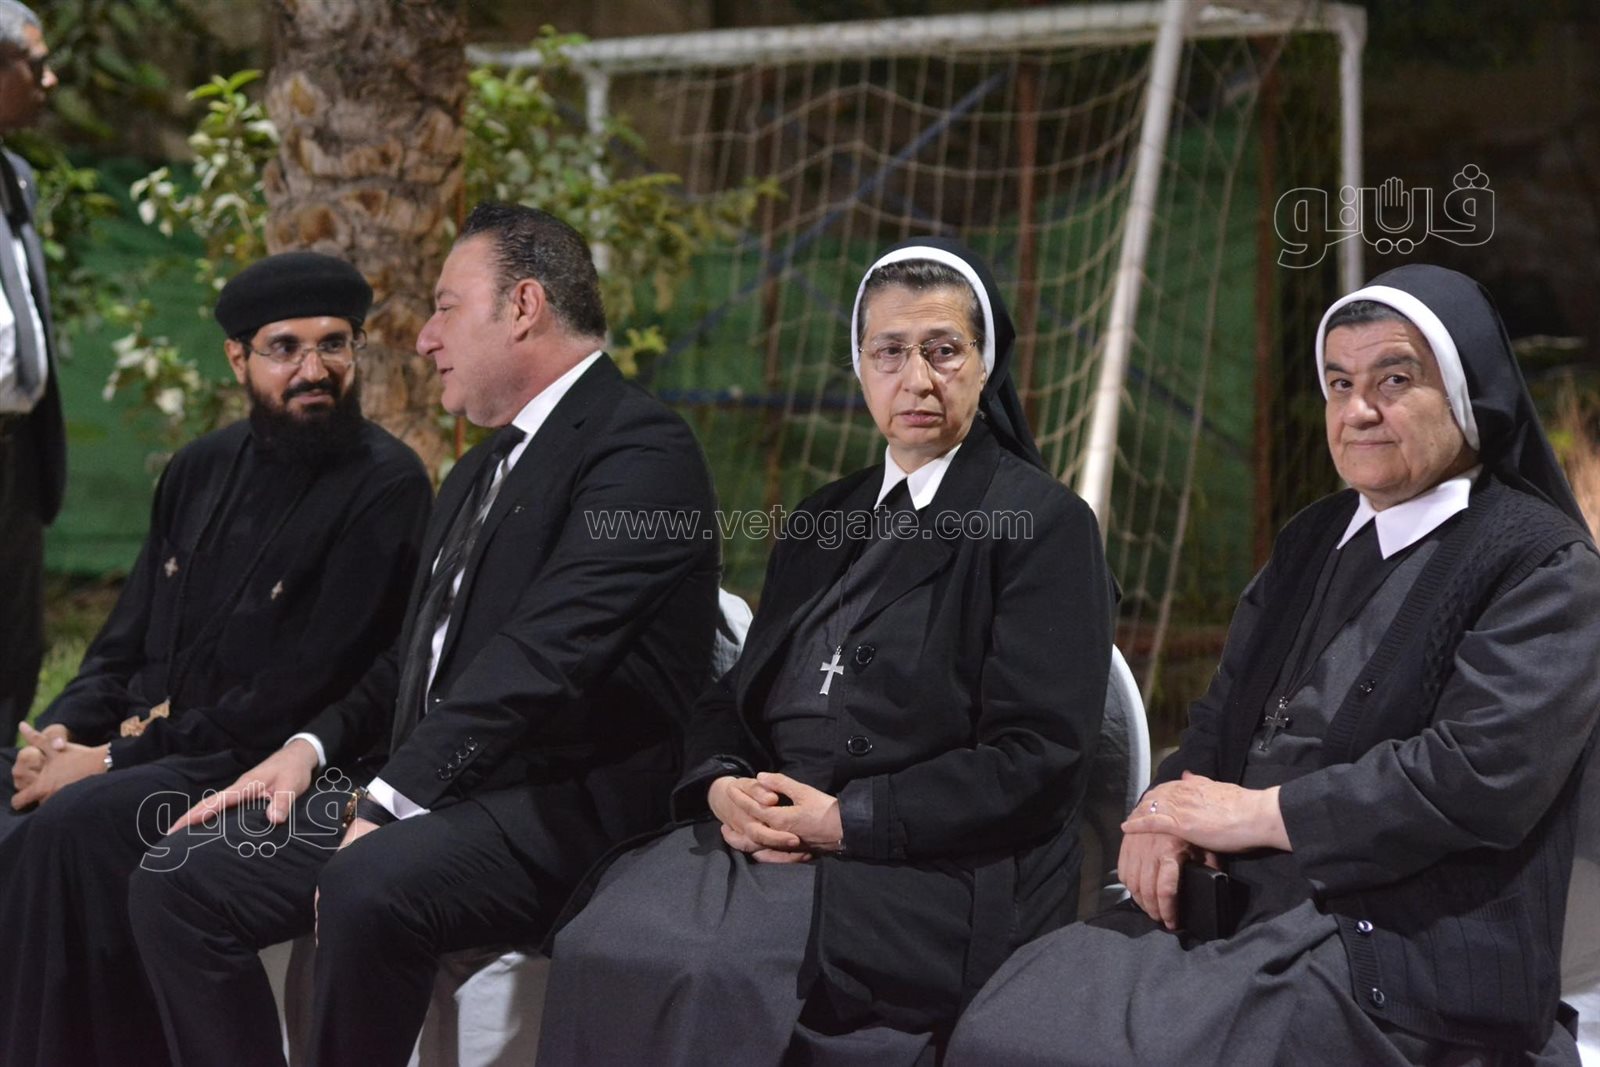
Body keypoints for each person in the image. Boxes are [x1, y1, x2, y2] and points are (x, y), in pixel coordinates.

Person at [947, 264, 1600, 1066]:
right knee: (1007, 1019)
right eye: (1339, 383)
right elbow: (1222, 718)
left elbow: (1476, 778)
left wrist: (1255, 815)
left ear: (1469, 396)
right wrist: (1161, 812)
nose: (1359, 410)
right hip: (1242, 901)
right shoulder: (1313, 539)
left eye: (1394, 380)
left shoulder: (1540, 564)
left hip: (1400, 943)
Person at [129, 202, 722, 1067]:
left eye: (446, 307)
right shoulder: (482, 465)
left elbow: (543, 656)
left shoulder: (643, 452)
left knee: (367, 879)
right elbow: (417, 658)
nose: (423, 338)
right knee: (180, 877)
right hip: (440, 796)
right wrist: (307, 747)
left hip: (564, 812)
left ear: (523, 307)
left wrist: (386, 801)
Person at [538, 238, 1114, 1064]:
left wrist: (848, 820)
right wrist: (723, 784)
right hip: (777, 840)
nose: (917, 379)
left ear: (986, 364)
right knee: (603, 936)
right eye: (890, 352)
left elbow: (1039, 760)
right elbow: (734, 697)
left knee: (708, 967)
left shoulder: (1044, 525)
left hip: (934, 872)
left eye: (944, 350)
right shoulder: (821, 517)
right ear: (860, 365)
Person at [0, 250, 432, 1065]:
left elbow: (293, 696)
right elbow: (121, 642)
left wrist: (105, 761)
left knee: (74, 825)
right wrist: (56, 736)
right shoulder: (199, 469)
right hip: (158, 749)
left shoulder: (388, 485)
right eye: (285, 348)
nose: (314, 370)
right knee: (18, 792)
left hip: (261, 771)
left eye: (334, 344)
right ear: (238, 358)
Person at [0, 0, 61, 740]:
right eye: (34, 65)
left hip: (14, 450)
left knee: (16, 644)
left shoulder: (14, 177)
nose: (49, 81)